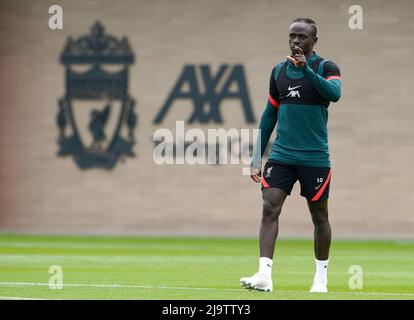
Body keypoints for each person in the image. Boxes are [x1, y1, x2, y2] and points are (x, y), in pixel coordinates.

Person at [240, 18, 341, 293]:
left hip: (315, 158)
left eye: (302, 37)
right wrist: (255, 157)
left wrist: (306, 70)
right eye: (292, 37)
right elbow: (269, 114)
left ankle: (320, 279)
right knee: (269, 206)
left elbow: (334, 94)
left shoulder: (326, 67)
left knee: (319, 216)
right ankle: (264, 275)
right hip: (282, 155)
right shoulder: (278, 72)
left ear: (314, 41)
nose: (296, 42)